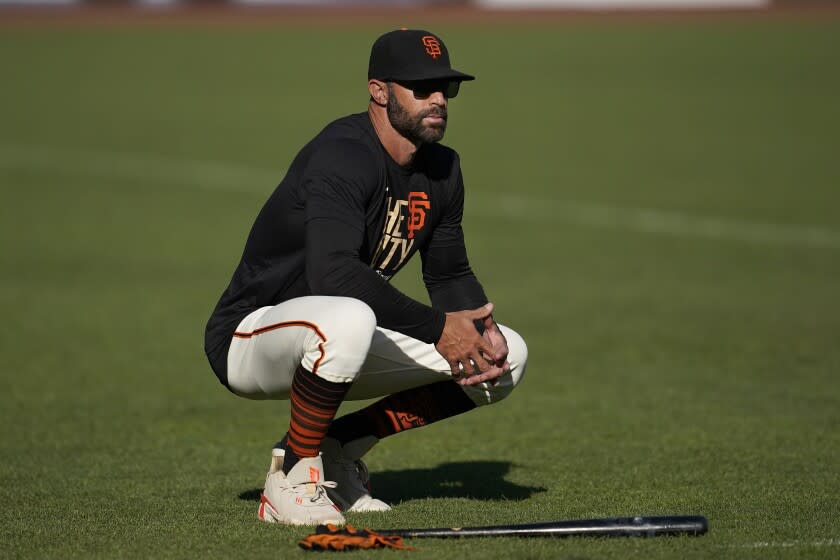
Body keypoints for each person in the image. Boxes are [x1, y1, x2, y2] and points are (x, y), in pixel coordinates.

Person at [204, 29, 528, 526]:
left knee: (507, 358)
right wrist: (440, 330)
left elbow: (449, 272)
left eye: (447, 88)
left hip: (339, 332)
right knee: (350, 316)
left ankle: (339, 443)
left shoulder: (442, 169)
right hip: (250, 336)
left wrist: (476, 327)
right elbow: (332, 273)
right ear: (379, 91)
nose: (439, 99)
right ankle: (292, 473)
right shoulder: (343, 153)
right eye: (422, 88)